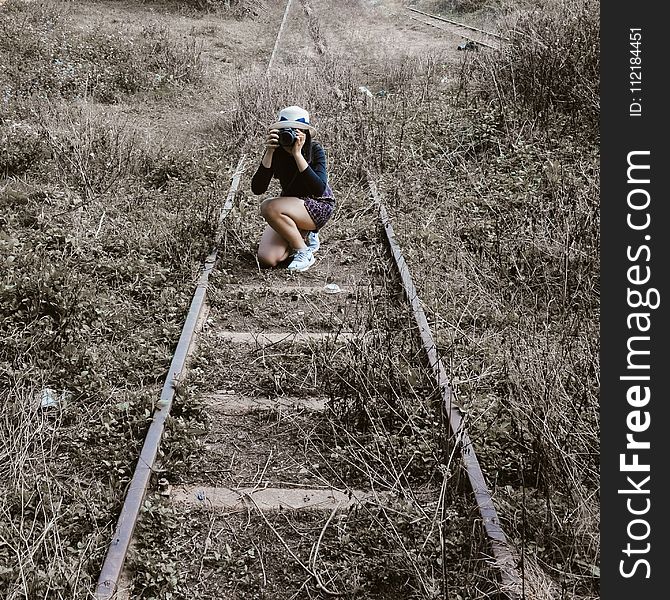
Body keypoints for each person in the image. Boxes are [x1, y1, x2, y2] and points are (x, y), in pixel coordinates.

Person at [250, 105, 335, 272]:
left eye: (296, 131)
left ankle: (304, 251)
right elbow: (258, 189)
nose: (290, 136)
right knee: (268, 258)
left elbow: (318, 189)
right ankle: (301, 236)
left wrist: (298, 155)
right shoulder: (276, 151)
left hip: (318, 205)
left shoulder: (315, 149)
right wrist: (269, 152)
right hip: (291, 208)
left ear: (305, 134)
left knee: (268, 206)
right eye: (285, 131)